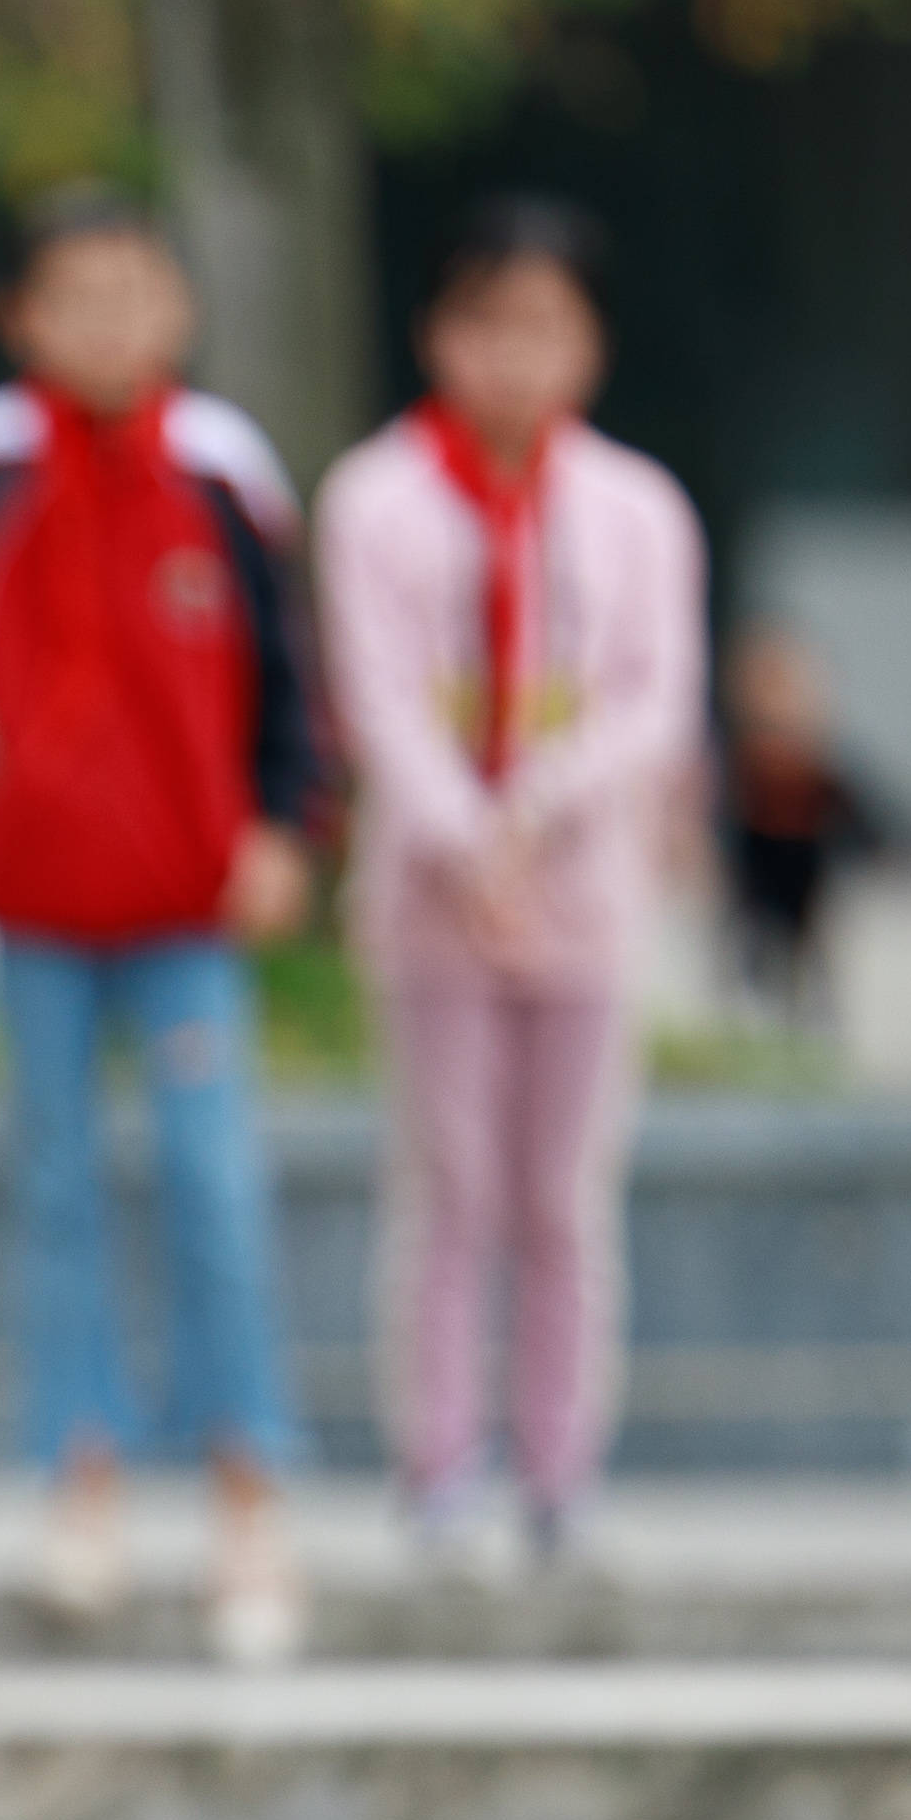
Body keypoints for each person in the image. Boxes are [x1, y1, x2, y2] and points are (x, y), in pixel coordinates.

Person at [0, 198, 319, 1663]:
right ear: (22, 317)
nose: (109, 326)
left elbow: (282, 662)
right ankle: (83, 1480)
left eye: (137, 296)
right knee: (58, 1192)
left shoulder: (223, 468)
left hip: (188, 901)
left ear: (179, 312)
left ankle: (248, 1496)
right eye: (78, 299)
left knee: (214, 1189)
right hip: (34, 903)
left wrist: (278, 822)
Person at [317, 197, 707, 1571]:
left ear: (590, 343)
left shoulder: (636, 508)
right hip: (432, 903)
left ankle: (560, 1469)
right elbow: (373, 688)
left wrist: (534, 811)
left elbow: (653, 702)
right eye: (488, 322)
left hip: (585, 898)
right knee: (447, 1188)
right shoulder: (376, 498)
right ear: (438, 333)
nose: (515, 358)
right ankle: (438, 1465)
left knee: (565, 1194)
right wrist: (463, 832)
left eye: (547, 325)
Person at [721, 619, 884, 1037]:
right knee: (756, 949)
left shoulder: (807, 759)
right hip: (760, 857)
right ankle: (760, 1023)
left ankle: (808, 1028)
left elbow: (848, 801)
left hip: (802, 858)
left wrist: (878, 845)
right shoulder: (746, 757)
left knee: (805, 953)